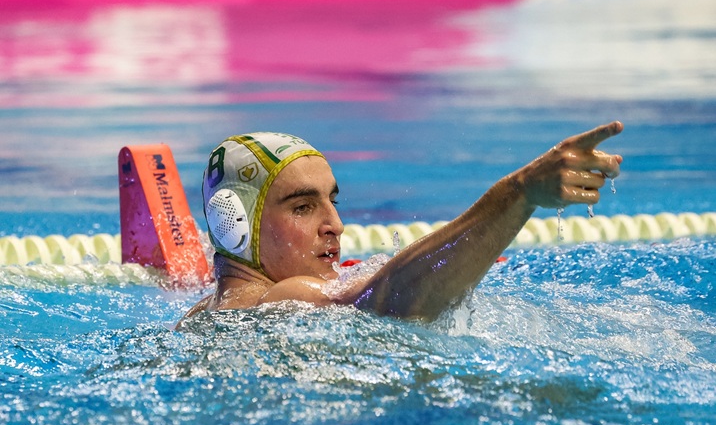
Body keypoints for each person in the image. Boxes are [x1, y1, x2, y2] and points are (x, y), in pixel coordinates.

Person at [178, 121, 623, 326]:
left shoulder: (197, 317)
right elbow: (392, 297)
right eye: (303, 207)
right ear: (236, 223)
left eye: (332, 201)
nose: (335, 225)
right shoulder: (287, 297)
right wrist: (519, 193)